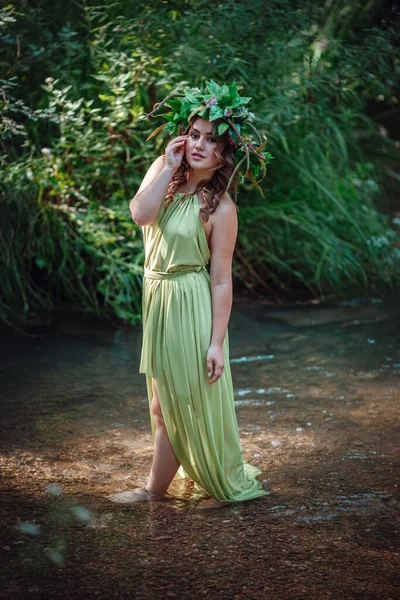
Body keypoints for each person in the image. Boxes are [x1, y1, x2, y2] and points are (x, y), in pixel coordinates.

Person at [107, 81, 274, 509]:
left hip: (190, 302)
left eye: (211, 140)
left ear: (224, 152)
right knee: (163, 406)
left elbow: (221, 280)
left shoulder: (222, 209)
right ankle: (164, 489)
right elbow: (140, 215)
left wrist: (216, 342)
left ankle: (165, 491)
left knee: (183, 403)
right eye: (195, 134)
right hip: (157, 297)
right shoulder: (163, 173)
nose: (200, 145)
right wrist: (168, 164)